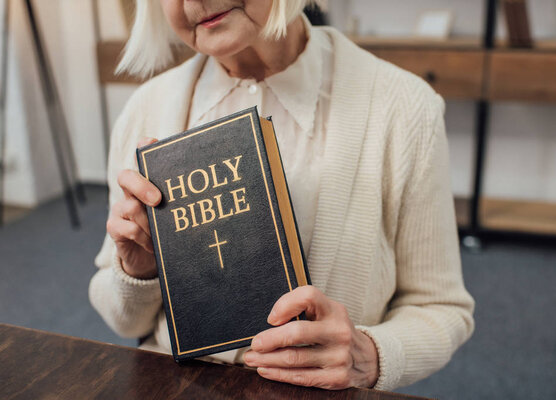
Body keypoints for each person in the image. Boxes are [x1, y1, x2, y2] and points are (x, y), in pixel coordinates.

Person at [89, 0, 475, 391]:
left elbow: (442, 309)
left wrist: (369, 355)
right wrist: (138, 272)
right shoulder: (146, 109)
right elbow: (126, 322)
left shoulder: (405, 108)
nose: (194, 2)